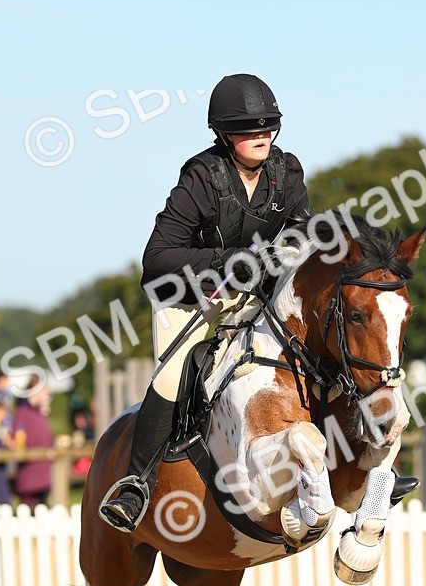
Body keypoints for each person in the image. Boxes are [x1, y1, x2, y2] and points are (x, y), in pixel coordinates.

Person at [99, 72, 312, 531]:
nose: (260, 136)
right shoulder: (201, 177)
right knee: (176, 372)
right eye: (247, 128)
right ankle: (136, 483)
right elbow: (156, 257)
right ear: (222, 133)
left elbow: (300, 235)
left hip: (254, 298)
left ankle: (366, 461)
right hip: (193, 299)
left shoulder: (287, 172)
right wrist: (224, 259)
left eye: (266, 127)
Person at [12, 379, 54, 508]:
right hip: (30, 478)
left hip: (43, 476)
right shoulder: (22, 413)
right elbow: (20, 441)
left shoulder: (39, 414)